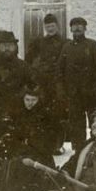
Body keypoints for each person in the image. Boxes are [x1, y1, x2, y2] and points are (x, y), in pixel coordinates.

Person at [0, 83, 57, 191]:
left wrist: (31, 144)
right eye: (27, 100)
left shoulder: (47, 116)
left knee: (32, 171)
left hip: (40, 154)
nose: (30, 103)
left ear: (39, 100)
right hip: (21, 153)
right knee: (11, 167)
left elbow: (51, 141)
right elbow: (13, 137)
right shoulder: (18, 114)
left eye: (33, 100)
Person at [58, 17, 96, 153]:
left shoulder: (92, 45)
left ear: (85, 28)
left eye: (80, 25)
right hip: (74, 95)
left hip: (91, 94)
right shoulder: (66, 47)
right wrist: (62, 90)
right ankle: (79, 151)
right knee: (76, 125)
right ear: (71, 29)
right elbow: (60, 71)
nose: (77, 28)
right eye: (74, 26)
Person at [25, 13, 64, 151]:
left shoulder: (65, 42)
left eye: (52, 26)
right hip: (43, 84)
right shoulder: (39, 42)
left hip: (58, 84)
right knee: (43, 113)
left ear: (57, 26)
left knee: (58, 114)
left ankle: (58, 145)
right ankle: (43, 144)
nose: (50, 29)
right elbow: (29, 59)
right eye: (48, 26)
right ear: (45, 27)